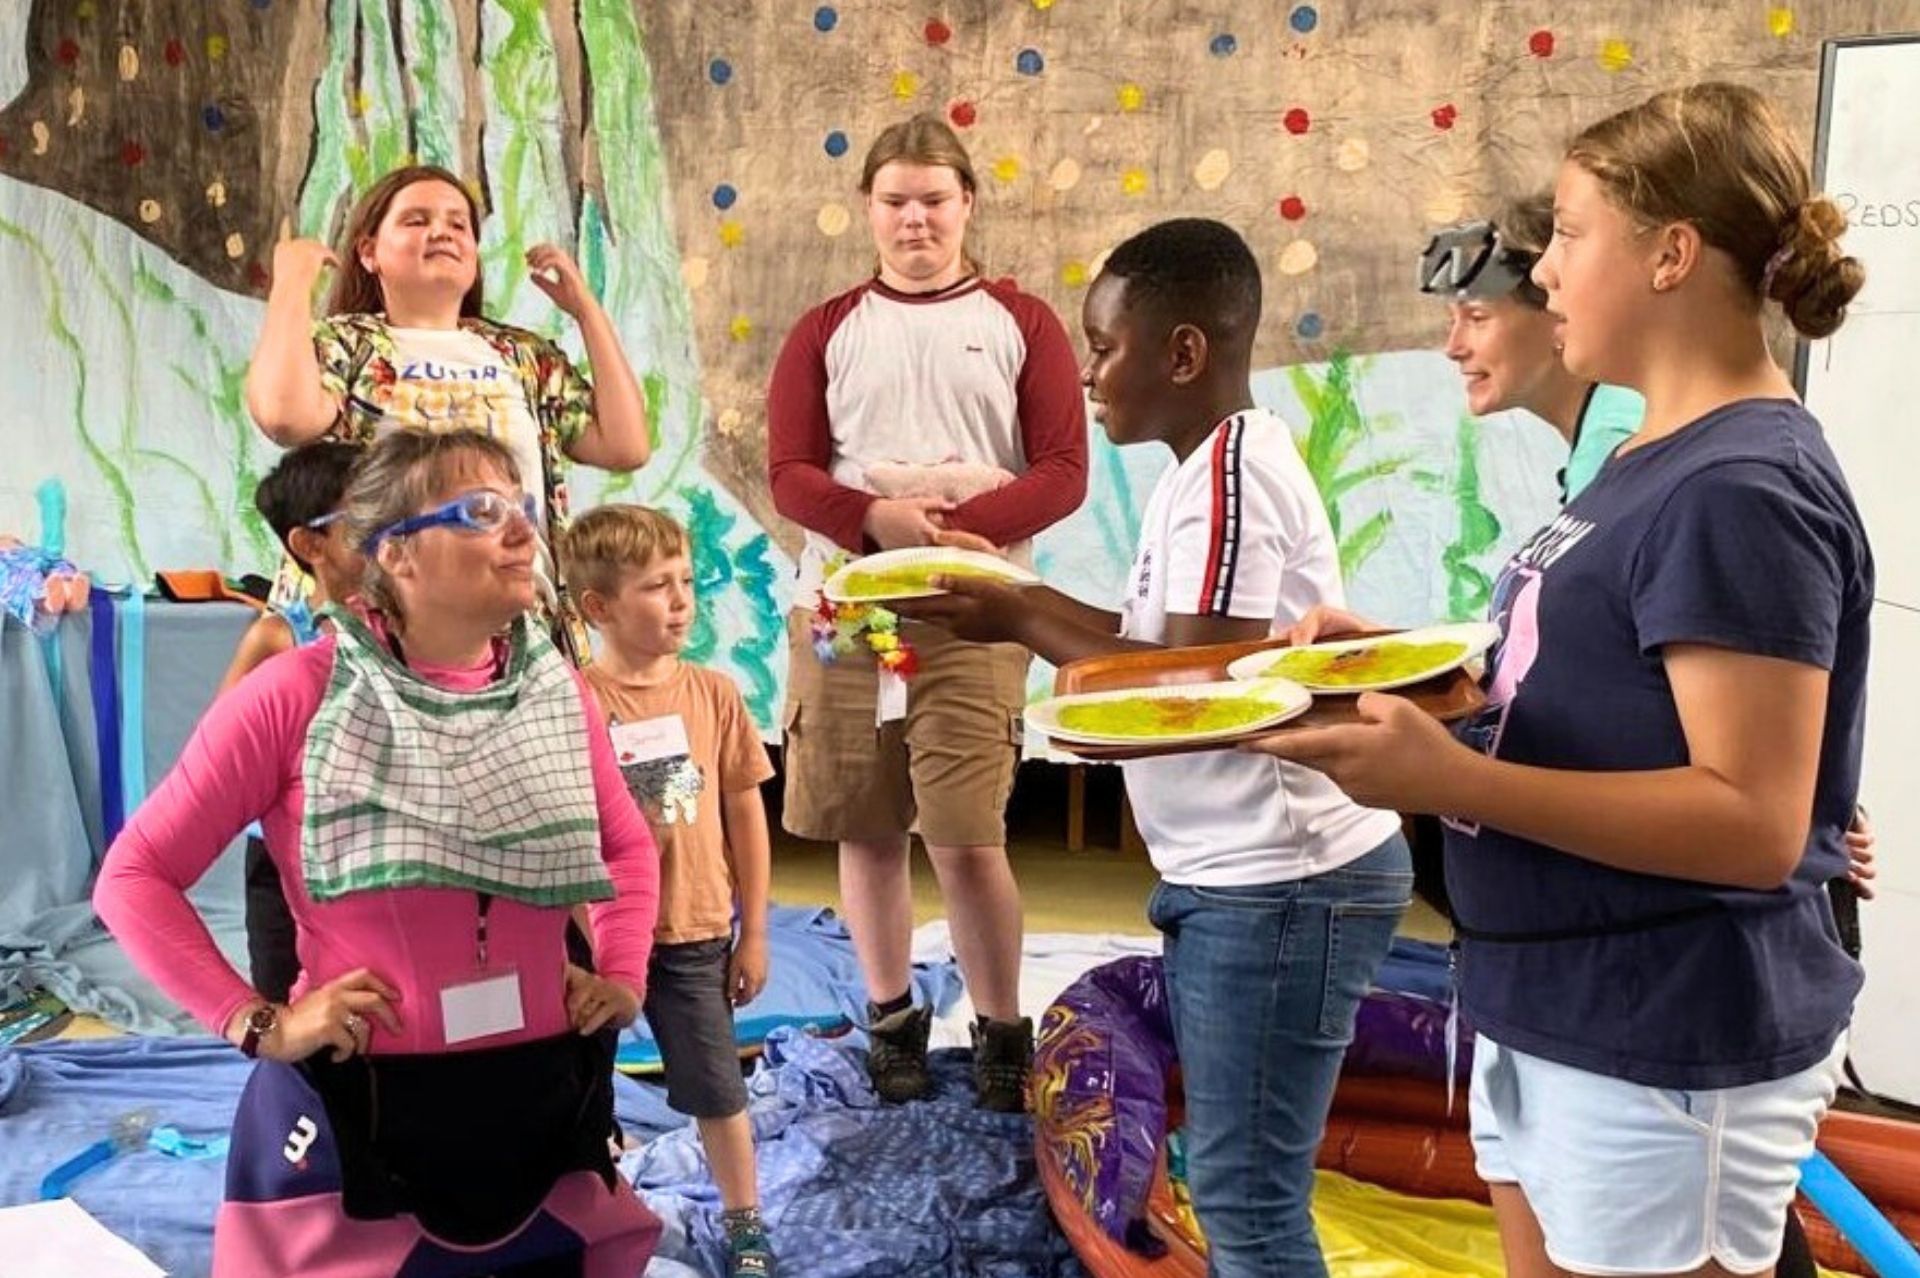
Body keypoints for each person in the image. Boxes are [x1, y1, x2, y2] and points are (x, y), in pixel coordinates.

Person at [1258, 83, 1870, 1278]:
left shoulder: (1742, 486)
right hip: (1555, 1000)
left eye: (1573, 235)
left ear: (1671, 256)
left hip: (1663, 1031)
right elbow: (1604, 683)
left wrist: (1446, 781)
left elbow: (1753, 823)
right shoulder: (1652, 453)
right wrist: (1409, 665)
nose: (1542, 272)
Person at [900, 218, 1410, 1278]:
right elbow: (1157, 646)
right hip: (1245, 878)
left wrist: (1020, 609)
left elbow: (1185, 686)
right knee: (1237, 1185)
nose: (1088, 374)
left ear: (1182, 353)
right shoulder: (1202, 471)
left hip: (1279, 882)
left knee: (1246, 1199)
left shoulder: (1231, 478)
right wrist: (1011, 593)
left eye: (1103, 346)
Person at [94, 428, 663, 1277]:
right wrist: (258, 1022)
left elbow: (625, 844)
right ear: (396, 553)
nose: (524, 530)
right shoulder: (297, 695)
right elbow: (134, 877)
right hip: (361, 1117)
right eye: (482, 511)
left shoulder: (555, 692)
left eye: (523, 507)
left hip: (542, 1105)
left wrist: (621, 974)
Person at [765, 113, 1088, 1110]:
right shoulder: (825, 330)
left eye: (934, 200)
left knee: (964, 833)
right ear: (867, 209)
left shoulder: (1023, 323)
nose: (916, 220)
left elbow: (1063, 469)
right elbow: (790, 472)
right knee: (865, 828)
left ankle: (1001, 1030)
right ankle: (890, 1018)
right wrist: (873, 519)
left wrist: (953, 533)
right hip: (848, 615)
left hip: (975, 614)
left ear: (967, 205)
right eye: (896, 201)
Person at [243, 163, 652, 660]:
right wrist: (292, 282)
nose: (442, 232)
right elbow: (283, 416)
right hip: (379, 628)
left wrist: (587, 311)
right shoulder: (347, 345)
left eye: (459, 224)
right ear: (369, 252)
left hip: (517, 633)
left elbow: (625, 445)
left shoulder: (520, 356)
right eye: (416, 220)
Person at [562, 504, 778, 1278]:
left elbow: (745, 813)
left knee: (719, 1090)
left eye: (686, 581)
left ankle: (745, 1221)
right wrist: (584, 934)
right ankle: (590, 1211)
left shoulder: (714, 694)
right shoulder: (575, 701)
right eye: (657, 586)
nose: (682, 600)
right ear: (599, 608)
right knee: (577, 1094)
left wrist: (754, 931)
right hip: (593, 946)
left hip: (693, 932)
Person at [217, 440, 367, 1004]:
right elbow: (221, 750)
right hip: (286, 859)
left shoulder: (414, 633)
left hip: (372, 853)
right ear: (309, 544)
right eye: (366, 519)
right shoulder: (280, 637)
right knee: (284, 998)